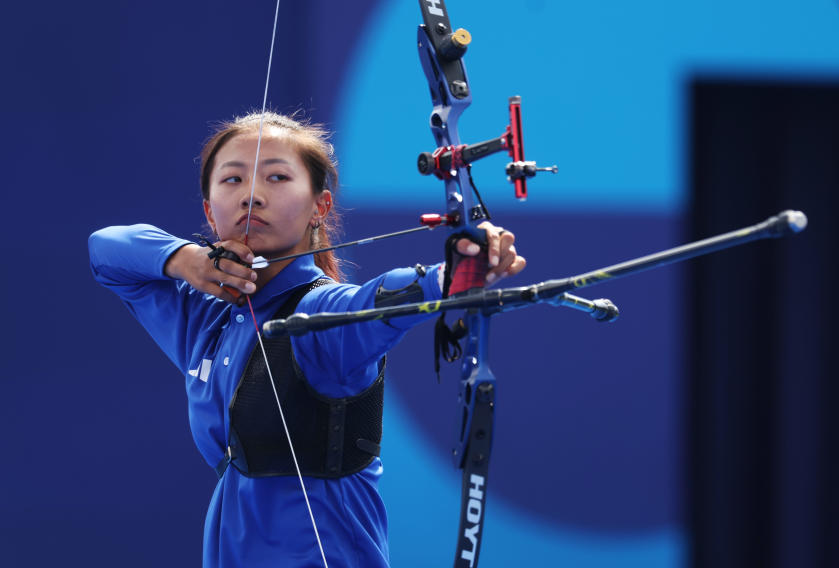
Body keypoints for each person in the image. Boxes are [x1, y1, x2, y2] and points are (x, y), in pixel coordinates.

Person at [88, 111, 525, 568]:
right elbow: (106, 250)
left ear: (320, 206)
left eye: (277, 177)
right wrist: (185, 259)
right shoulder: (204, 315)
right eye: (232, 180)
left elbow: (372, 304)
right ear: (207, 211)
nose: (251, 196)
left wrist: (452, 274)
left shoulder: (320, 315)